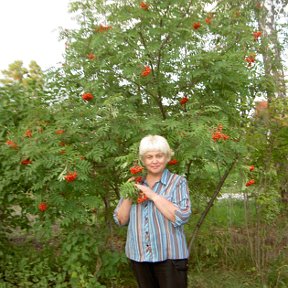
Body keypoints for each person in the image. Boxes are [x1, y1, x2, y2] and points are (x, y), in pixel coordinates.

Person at [113, 135, 192, 288]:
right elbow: (120, 220)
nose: (154, 161)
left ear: (167, 157)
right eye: (149, 157)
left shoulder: (177, 182)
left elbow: (182, 216)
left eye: (159, 156)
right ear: (143, 160)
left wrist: (152, 195)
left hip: (170, 257)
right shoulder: (134, 183)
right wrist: (130, 194)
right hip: (139, 255)